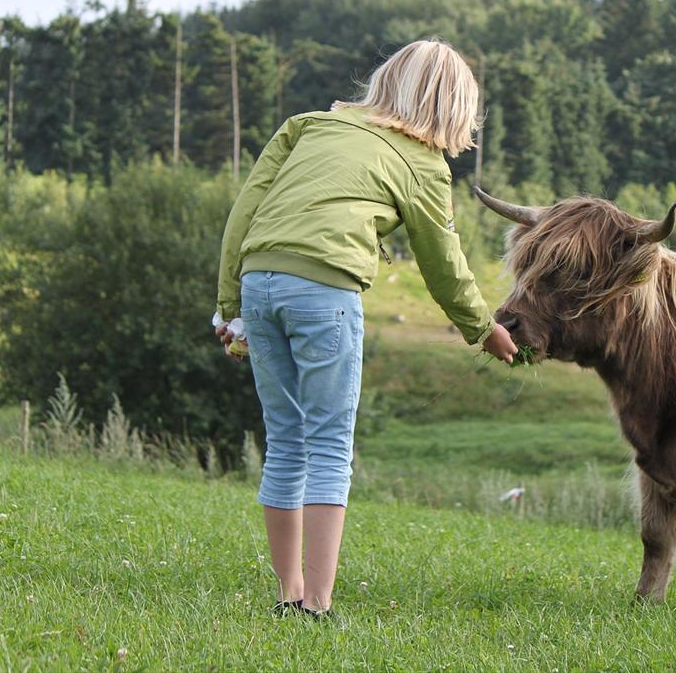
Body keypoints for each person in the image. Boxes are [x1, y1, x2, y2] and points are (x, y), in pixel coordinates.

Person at [213, 39, 518, 618]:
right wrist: (483, 329)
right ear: (454, 107)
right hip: (325, 291)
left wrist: (229, 310)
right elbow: (443, 263)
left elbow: (243, 215)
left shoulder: (309, 125)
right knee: (329, 444)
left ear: (388, 80)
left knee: (286, 439)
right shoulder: (424, 163)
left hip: (259, 282)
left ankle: (288, 595)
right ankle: (317, 604)